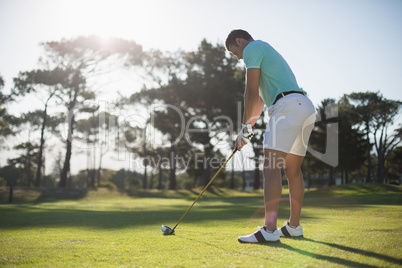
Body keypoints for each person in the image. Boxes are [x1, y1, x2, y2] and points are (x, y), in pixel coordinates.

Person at [225, 29, 316, 243]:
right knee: (292, 170)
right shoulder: (266, 52)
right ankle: (293, 227)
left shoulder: (253, 48)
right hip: (304, 107)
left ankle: (269, 230)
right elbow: (260, 102)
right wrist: (246, 130)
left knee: (271, 165)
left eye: (234, 52)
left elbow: (251, 91)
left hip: (286, 108)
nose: (238, 57)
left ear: (239, 41)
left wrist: (245, 126)